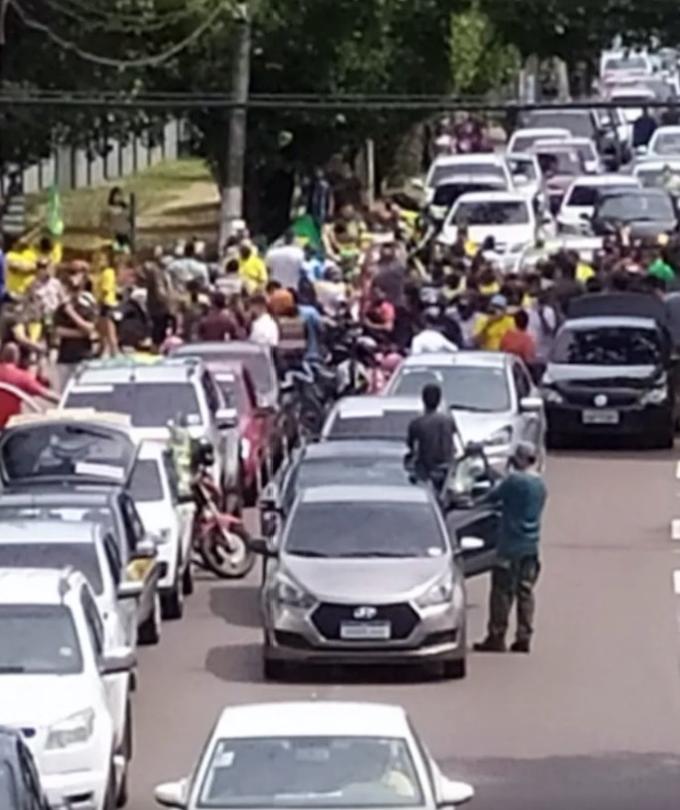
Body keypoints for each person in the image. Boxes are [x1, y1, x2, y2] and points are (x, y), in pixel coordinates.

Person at [474, 441, 547, 654]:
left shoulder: (514, 481)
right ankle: (524, 636)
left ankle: (496, 636)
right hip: (531, 546)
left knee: (501, 592)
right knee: (525, 592)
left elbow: (490, 497)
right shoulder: (540, 485)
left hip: (509, 546)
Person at [406, 383, 456, 491]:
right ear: (439, 400)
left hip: (425, 470)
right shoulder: (448, 421)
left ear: (423, 399)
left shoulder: (417, 423)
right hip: (446, 470)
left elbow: (410, 446)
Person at [0, 343, 59, 427]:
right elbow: (46, 394)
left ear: (2, 356)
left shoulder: (22, 377)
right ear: (17, 358)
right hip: (8, 426)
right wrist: (66, 401)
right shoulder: (21, 377)